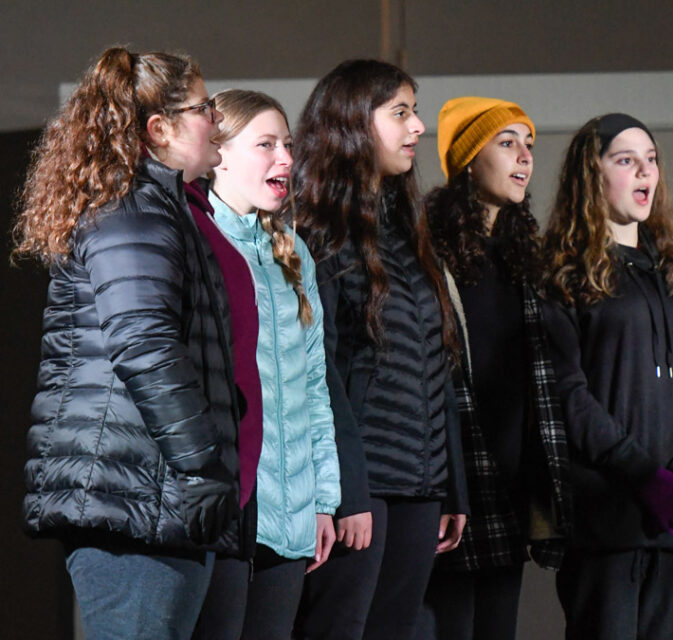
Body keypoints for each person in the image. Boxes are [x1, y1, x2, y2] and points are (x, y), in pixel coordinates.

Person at [14, 47, 251, 640]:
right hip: (135, 502)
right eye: (204, 109)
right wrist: (201, 467)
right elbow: (144, 346)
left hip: (152, 496)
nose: (217, 121)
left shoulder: (158, 209)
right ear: (160, 129)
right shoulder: (132, 212)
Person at [290, 59, 469, 640]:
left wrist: (451, 485)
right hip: (361, 489)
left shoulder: (409, 230)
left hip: (420, 485)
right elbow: (324, 379)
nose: (418, 127)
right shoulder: (318, 231)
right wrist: (347, 494)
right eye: (400, 113)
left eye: (414, 112)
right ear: (351, 124)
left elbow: (437, 362)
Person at [540, 113, 673, 640]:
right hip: (608, 514)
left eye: (650, 160)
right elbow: (568, 392)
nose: (644, 171)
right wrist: (644, 475)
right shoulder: (563, 275)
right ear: (592, 174)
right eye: (626, 160)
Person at [417, 97, 572, 640]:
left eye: (529, 145)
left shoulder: (522, 253)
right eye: (506, 144)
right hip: (452, 480)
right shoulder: (426, 247)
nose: (524, 157)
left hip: (510, 482)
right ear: (465, 160)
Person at [189, 89, 341, 640]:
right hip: (227, 510)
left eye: (288, 145)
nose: (285, 159)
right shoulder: (195, 243)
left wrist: (324, 500)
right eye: (266, 145)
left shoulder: (293, 250)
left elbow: (314, 386)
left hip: (293, 514)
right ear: (218, 153)